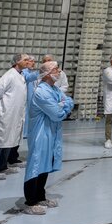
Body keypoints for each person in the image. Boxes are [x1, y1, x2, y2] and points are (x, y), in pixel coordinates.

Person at [23, 60, 73, 215]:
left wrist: (63, 105)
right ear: (47, 74)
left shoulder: (54, 89)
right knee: (36, 166)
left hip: (50, 133)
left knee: (45, 165)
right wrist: (62, 106)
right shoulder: (41, 92)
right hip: (40, 134)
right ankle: (30, 202)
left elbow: (69, 101)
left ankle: (40, 197)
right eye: (56, 69)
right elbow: (57, 114)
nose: (59, 71)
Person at [0, 54, 36, 179]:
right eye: (25, 60)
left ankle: (3, 167)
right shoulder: (9, 75)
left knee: (10, 139)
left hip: (15, 114)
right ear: (17, 62)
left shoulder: (21, 75)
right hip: (6, 113)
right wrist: (2, 106)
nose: (28, 62)